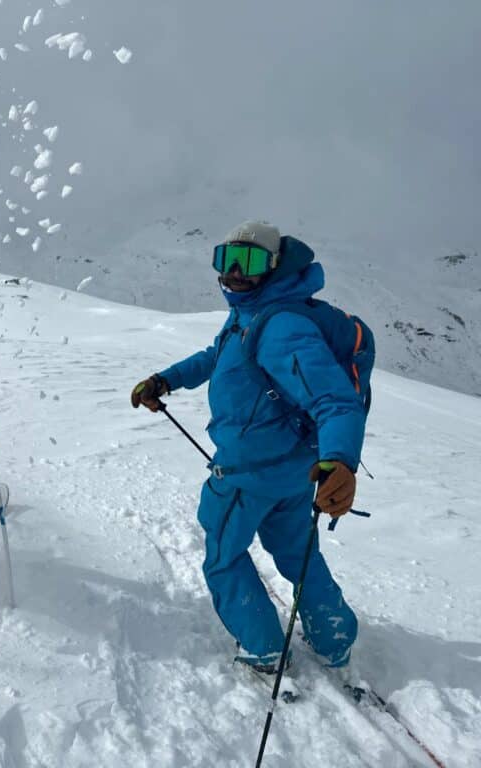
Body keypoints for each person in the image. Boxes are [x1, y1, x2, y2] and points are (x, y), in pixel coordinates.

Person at [131, 220, 364, 674]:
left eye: (251, 262)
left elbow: (336, 400)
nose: (235, 272)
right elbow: (217, 355)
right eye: (226, 259)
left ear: (275, 267)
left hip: (247, 473)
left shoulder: (282, 327)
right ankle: (334, 639)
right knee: (298, 552)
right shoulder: (255, 313)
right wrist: (167, 380)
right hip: (293, 470)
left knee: (224, 556)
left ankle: (263, 648)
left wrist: (341, 461)